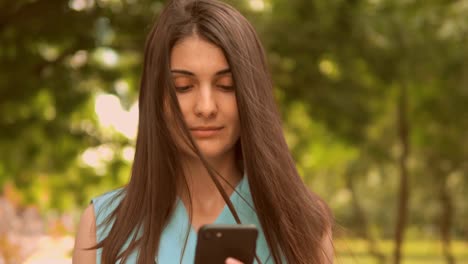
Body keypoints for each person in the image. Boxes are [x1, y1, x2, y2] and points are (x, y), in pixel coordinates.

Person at [73, 0, 334, 263]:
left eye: (226, 85)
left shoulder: (305, 224)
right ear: (156, 99)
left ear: (250, 95)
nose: (206, 107)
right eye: (183, 87)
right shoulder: (101, 225)